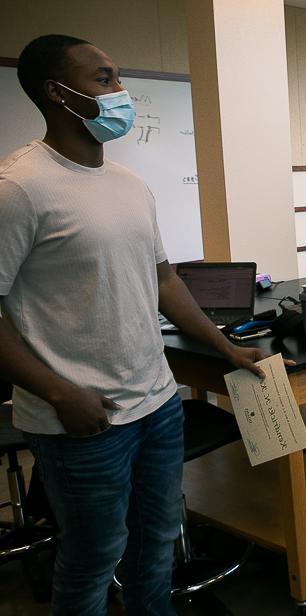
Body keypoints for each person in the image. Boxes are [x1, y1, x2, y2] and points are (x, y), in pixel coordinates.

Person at [0, 34, 274, 615]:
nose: (120, 92)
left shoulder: (128, 184)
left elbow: (165, 283)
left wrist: (227, 348)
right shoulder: (18, 188)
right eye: (103, 80)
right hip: (84, 420)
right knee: (94, 557)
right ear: (58, 93)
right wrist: (58, 392)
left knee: (155, 547)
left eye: (118, 77)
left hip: (157, 403)